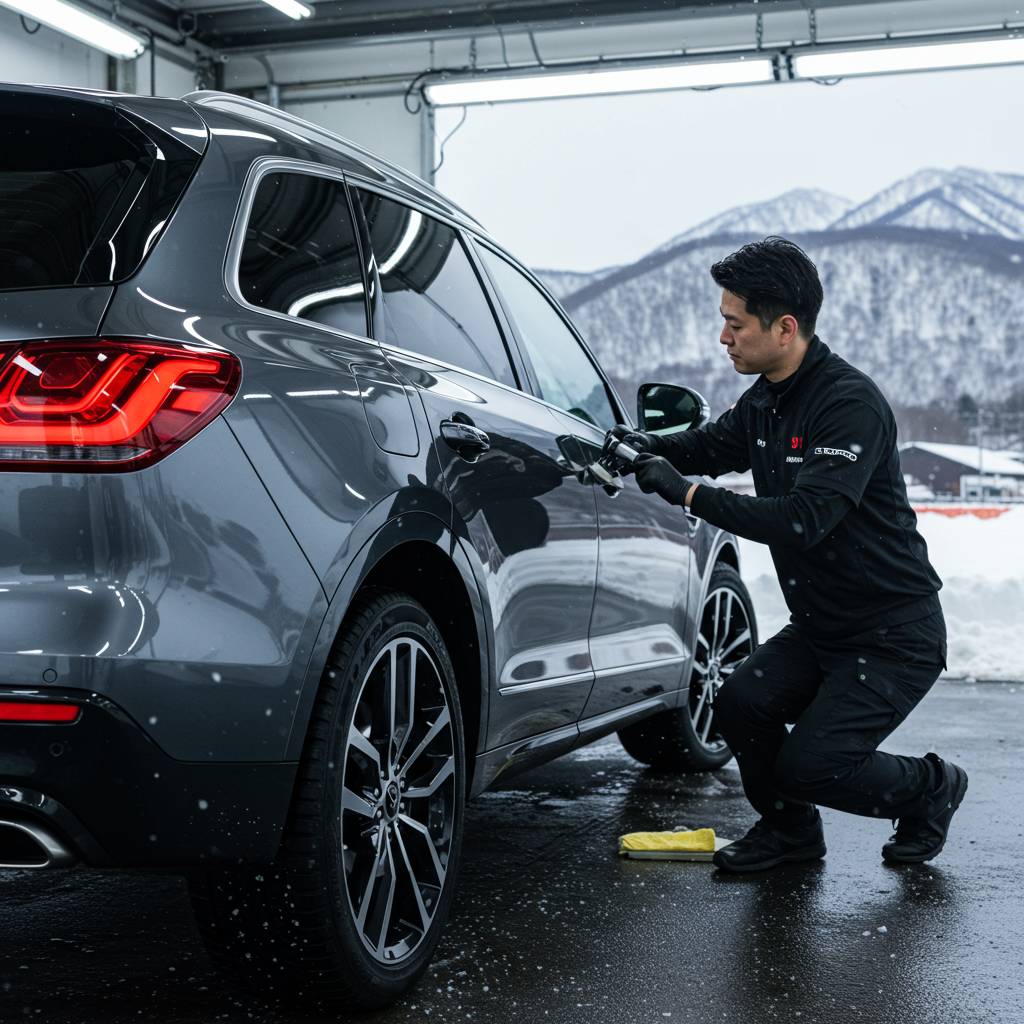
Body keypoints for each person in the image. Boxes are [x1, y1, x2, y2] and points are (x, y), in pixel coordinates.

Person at [612, 236, 967, 873]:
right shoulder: (767, 398)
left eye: (734, 322)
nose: (724, 337)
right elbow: (712, 445)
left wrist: (689, 494)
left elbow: (804, 520)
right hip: (824, 626)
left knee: (813, 765)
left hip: (894, 632)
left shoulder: (846, 404)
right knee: (741, 703)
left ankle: (932, 789)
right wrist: (640, 448)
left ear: (784, 327)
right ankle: (791, 837)